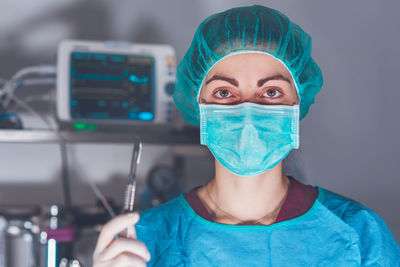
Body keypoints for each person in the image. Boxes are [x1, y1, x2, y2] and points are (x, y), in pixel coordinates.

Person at [93, 5, 400, 266]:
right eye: (224, 92)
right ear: (199, 107)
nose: (249, 112)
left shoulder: (357, 234)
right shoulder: (142, 241)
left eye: (271, 92)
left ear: (297, 105)